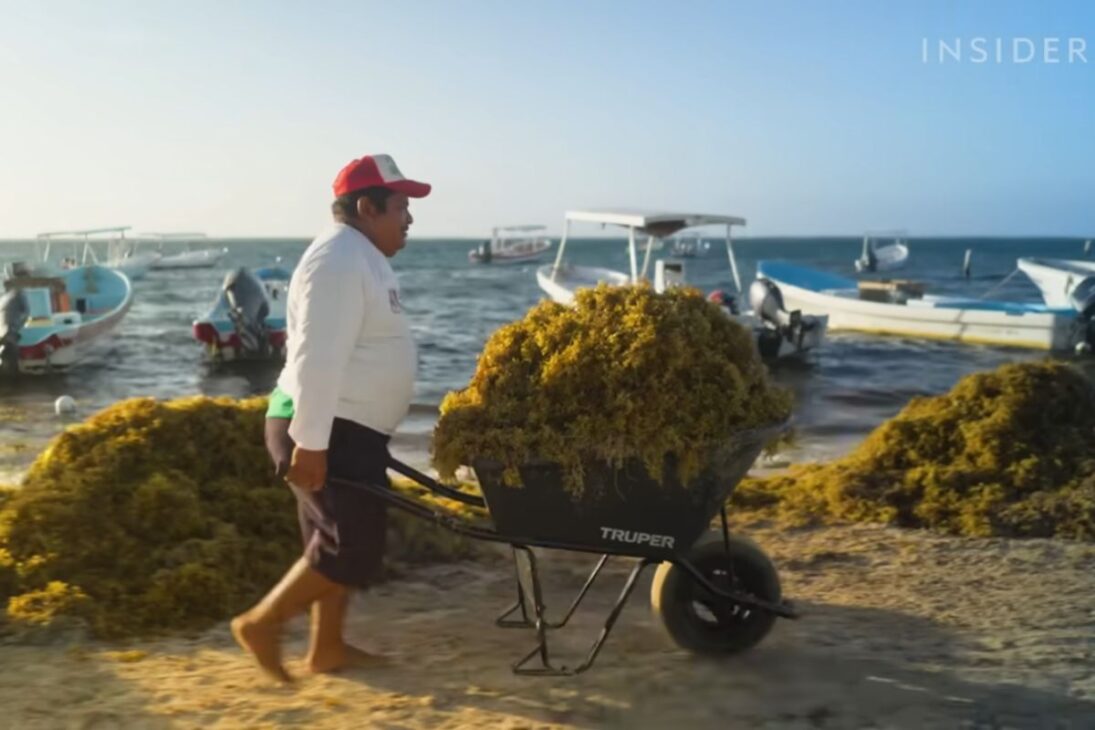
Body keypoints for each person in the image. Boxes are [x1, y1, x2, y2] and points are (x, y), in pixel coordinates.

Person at [232, 153, 430, 682]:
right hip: (325, 424)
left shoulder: (359, 255)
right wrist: (312, 443)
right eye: (401, 207)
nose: (409, 219)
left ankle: (327, 649)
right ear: (367, 207)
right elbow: (317, 357)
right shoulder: (339, 260)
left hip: (342, 425)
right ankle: (261, 623)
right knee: (351, 546)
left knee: (332, 541)